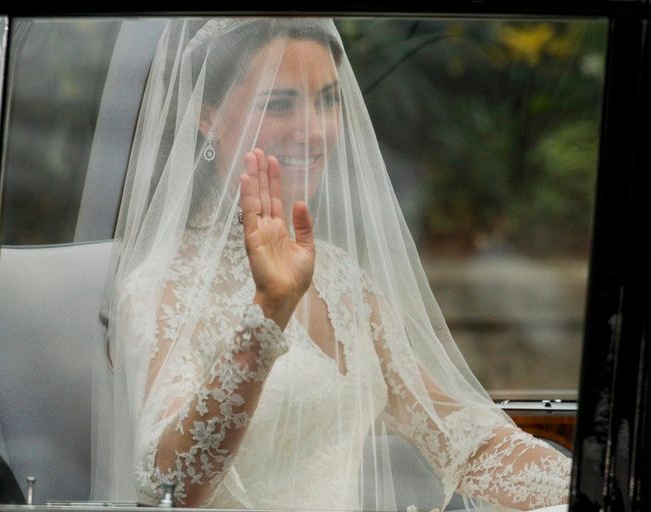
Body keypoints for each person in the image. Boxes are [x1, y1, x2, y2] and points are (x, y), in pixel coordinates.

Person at [95, 18, 571, 511]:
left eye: (327, 100)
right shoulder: (160, 287)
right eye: (279, 104)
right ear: (209, 116)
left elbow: (463, 442)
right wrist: (268, 314)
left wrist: (588, 485)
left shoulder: (342, 279)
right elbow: (170, 484)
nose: (314, 130)